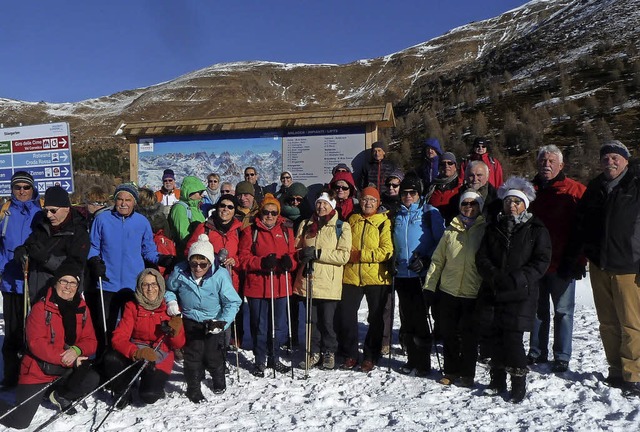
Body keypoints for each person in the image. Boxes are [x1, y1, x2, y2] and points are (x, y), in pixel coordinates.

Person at [568, 141, 640, 396]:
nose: (610, 162)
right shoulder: (595, 188)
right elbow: (581, 226)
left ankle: (634, 374)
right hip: (599, 266)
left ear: (625, 161)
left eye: (615, 157)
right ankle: (616, 370)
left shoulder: (635, 185)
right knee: (607, 323)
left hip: (628, 266)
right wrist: (579, 256)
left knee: (631, 324)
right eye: (605, 158)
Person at [476, 177, 551, 403]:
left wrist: (519, 278)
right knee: (494, 337)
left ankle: (518, 382)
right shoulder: (494, 227)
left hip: (520, 292)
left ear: (524, 205)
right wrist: (493, 275)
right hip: (495, 289)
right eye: (508, 202)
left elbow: (541, 260)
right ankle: (496, 379)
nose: (512, 206)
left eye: (517, 202)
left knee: (513, 339)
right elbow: (482, 256)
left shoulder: (536, 229)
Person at [0, 263, 100, 429]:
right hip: (38, 371)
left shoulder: (82, 309)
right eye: (63, 281)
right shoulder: (41, 308)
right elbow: (36, 344)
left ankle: (59, 394)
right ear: (55, 283)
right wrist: (66, 358)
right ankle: (43, 392)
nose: (68, 287)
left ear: (78, 286)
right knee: (19, 421)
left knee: (91, 378)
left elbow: (91, 341)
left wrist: (77, 350)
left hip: (64, 369)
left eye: (72, 282)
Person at [87, 183, 167, 356]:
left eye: (128, 200)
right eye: (120, 200)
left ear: (134, 202)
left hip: (132, 285)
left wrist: (162, 259)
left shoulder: (142, 222)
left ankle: (129, 359)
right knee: (105, 327)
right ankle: (104, 360)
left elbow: (148, 250)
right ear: (114, 201)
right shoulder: (102, 219)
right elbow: (93, 246)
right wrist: (94, 261)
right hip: (107, 283)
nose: (123, 203)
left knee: (130, 328)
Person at [527, 145, 586, 373]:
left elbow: (583, 229)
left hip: (564, 263)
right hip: (535, 264)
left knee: (563, 311)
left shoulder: (575, 190)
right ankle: (536, 351)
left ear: (561, 165)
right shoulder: (529, 191)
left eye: (551, 161)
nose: (546, 164)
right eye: (543, 161)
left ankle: (562, 355)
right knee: (537, 311)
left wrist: (579, 261)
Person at [166, 235, 241, 402]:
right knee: (193, 355)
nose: (198, 268)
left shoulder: (220, 275)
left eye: (203, 264)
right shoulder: (180, 271)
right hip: (190, 319)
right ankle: (193, 388)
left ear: (210, 262)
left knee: (213, 355)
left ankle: (218, 380)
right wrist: (171, 301)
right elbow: (169, 289)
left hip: (213, 320)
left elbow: (233, 302)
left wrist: (221, 323)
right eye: (194, 263)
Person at [423, 191, 486, 386]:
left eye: (473, 204)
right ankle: (450, 371)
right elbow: (438, 260)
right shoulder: (450, 230)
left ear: (479, 207)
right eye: (465, 204)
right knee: (449, 334)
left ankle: (467, 374)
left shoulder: (484, 230)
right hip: (449, 291)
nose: (469, 207)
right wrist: (429, 287)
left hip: (472, 292)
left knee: (469, 336)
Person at [103, 268, 185, 408]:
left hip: (161, 354)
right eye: (145, 284)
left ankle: (150, 380)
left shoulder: (169, 308)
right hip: (138, 350)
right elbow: (118, 338)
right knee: (111, 358)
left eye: (154, 284)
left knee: (149, 395)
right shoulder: (132, 307)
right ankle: (122, 391)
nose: (150, 288)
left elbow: (178, 344)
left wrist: (175, 332)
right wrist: (136, 352)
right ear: (140, 287)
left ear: (160, 285)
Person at [238, 194, 297, 377]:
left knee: (278, 325)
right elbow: (242, 259)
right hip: (258, 286)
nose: (269, 215)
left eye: (273, 212)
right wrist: (261, 263)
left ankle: (274, 357)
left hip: (280, 284)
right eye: (266, 212)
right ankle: (259, 360)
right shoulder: (251, 231)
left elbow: (293, 255)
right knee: (260, 326)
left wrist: (290, 263)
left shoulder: (286, 231)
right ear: (260, 212)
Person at [337, 187, 393, 372]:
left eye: (372, 200)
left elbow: (386, 251)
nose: (368, 203)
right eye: (364, 199)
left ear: (378, 203)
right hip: (351, 276)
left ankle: (370, 355)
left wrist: (360, 255)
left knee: (376, 319)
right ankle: (350, 353)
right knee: (346, 316)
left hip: (376, 277)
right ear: (359, 201)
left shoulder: (384, 222)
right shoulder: (352, 220)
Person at [393, 175, 445, 376]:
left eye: (412, 193)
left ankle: (422, 363)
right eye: (404, 192)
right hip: (402, 274)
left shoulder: (429, 212)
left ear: (419, 194)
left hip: (421, 274)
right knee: (407, 319)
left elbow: (441, 242)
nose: (408, 196)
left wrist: (426, 258)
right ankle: (411, 358)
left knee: (421, 318)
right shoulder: (396, 215)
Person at [294, 190, 352, 369]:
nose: (321, 207)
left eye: (325, 204)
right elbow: (296, 248)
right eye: (319, 203)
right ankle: (313, 352)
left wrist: (318, 253)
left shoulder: (342, 226)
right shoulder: (305, 224)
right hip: (309, 279)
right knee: (311, 321)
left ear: (332, 206)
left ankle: (329, 352)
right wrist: (301, 254)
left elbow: (343, 256)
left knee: (327, 321)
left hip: (329, 281)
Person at [185, 195, 244, 349]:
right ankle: (203, 350)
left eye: (230, 207)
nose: (225, 209)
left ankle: (221, 353)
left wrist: (235, 260)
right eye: (222, 205)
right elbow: (189, 250)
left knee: (225, 316)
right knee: (209, 314)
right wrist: (209, 258)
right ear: (217, 208)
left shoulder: (238, 230)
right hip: (207, 280)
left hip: (230, 279)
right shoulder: (204, 228)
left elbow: (244, 253)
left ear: (235, 210)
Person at [0, 171, 42, 389]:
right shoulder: (5, 213)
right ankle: (11, 375)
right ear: (12, 190)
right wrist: (3, 266)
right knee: (13, 332)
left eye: (27, 187)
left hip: (33, 281)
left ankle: (32, 373)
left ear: (33, 189)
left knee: (34, 331)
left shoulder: (40, 213)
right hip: (10, 281)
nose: (23, 191)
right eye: (18, 187)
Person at [14, 185, 90, 303]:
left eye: (53, 210)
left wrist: (47, 259)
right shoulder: (42, 225)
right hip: (37, 293)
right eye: (46, 210)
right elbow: (30, 244)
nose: (49, 215)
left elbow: (75, 266)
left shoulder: (79, 232)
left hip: (62, 296)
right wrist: (22, 250)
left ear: (66, 208)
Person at [138, 187, 175, 277]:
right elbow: (168, 235)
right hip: (160, 257)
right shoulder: (161, 216)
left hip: (142, 259)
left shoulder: (137, 219)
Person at [168, 175, 206, 256]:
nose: (202, 195)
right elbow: (183, 235)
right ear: (190, 192)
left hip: (200, 251)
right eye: (200, 192)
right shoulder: (179, 208)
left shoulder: (196, 208)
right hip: (186, 254)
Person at [426, 152, 464, 223]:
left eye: (450, 163)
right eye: (443, 164)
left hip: (454, 227)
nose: (446, 166)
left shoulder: (461, 186)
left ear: (455, 167)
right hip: (434, 226)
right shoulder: (432, 187)